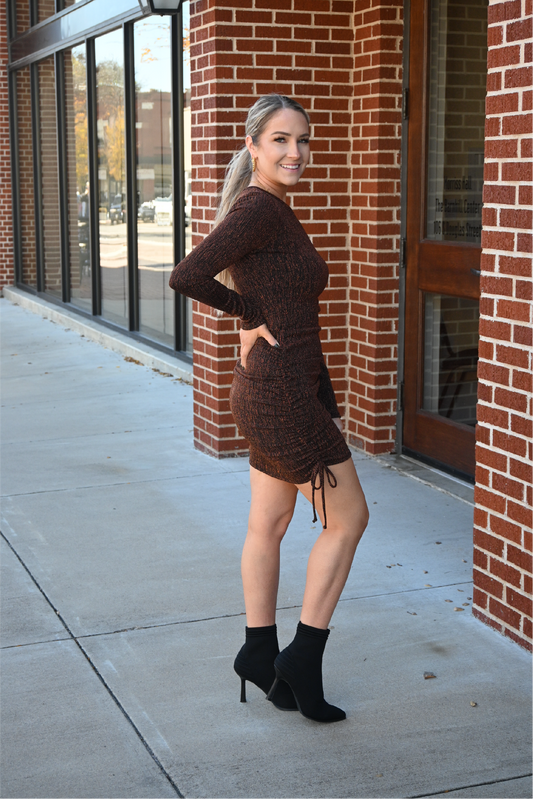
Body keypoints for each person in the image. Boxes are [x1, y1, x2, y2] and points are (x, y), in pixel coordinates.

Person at [169, 94, 369, 723]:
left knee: (271, 524)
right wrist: (247, 316)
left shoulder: (274, 210)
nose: (295, 152)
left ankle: (260, 651)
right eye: (280, 140)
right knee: (350, 518)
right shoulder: (259, 209)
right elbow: (189, 274)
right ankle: (301, 657)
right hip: (279, 394)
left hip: (277, 389)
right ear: (253, 147)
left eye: (303, 140)